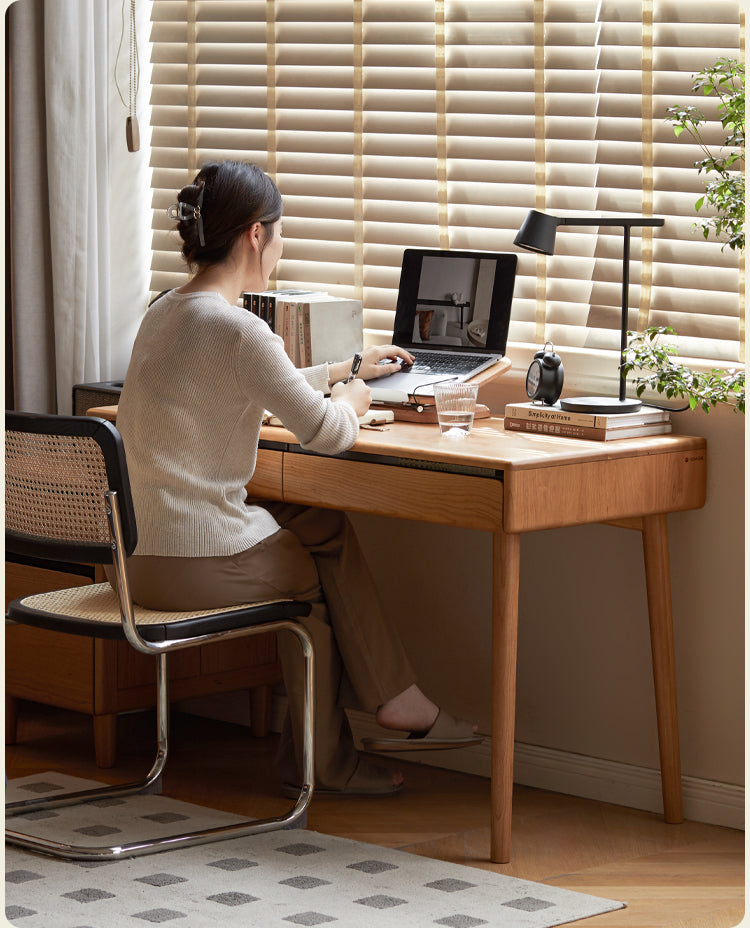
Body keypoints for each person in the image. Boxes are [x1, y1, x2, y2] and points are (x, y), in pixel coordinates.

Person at [115, 160, 479, 796]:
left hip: (139, 559)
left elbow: (246, 391)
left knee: (321, 525)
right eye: (279, 234)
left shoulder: (164, 311)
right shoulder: (240, 328)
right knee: (313, 580)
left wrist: (342, 369)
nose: (280, 249)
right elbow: (329, 434)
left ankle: (390, 704)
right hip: (197, 562)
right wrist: (358, 400)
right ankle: (328, 759)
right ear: (256, 234)